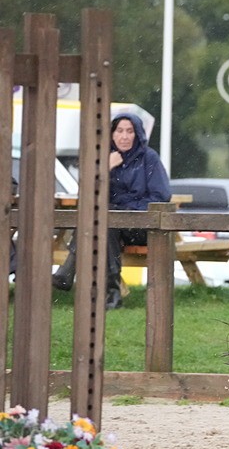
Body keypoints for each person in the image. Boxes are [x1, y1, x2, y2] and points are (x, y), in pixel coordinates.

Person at [52, 113, 171, 309]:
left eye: (130, 131)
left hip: (142, 226)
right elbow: (88, 196)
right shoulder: (105, 158)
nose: (124, 136)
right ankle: (112, 295)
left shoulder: (149, 158)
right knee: (102, 223)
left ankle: (68, 272)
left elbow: (161, 196)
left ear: (138, 134)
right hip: (111, 225)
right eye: (120, 131)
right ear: (112, 134)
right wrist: (105, 168)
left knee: (103, 221)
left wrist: (126, 209)